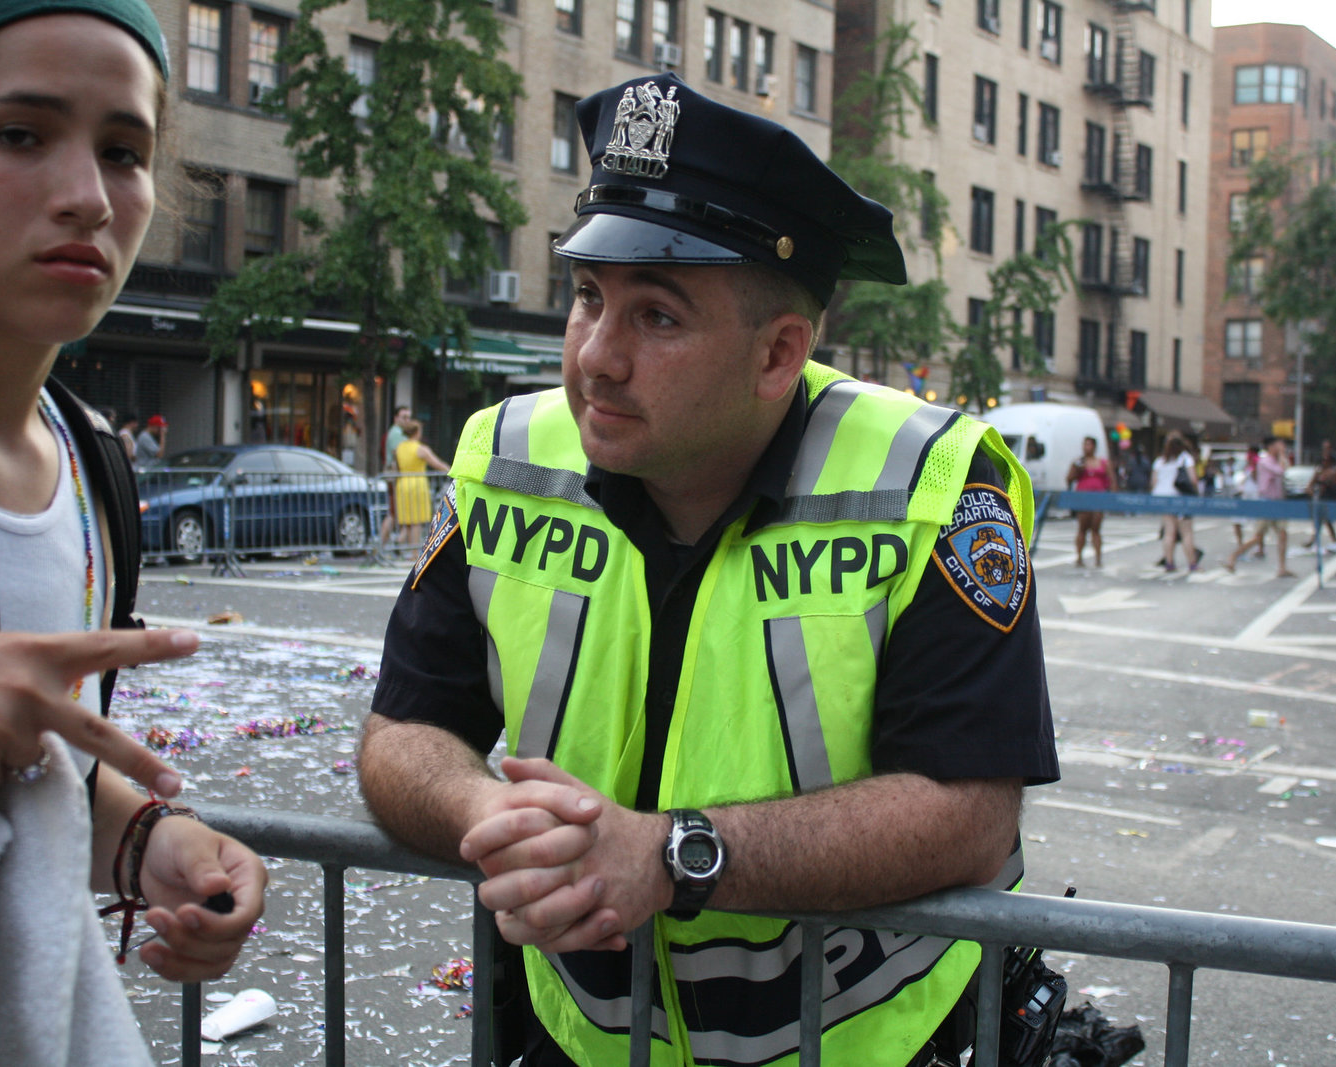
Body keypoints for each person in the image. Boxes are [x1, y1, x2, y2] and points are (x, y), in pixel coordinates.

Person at [357, 73, 1058, 1067]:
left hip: (861, 1045)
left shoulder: (932, 483)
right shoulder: (510, 456)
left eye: (657, 317)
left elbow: (968, 815)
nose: (595, 356)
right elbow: (403, 729)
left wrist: (675, 854)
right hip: (587, 1042)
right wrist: (487, 811)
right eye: (589, 297)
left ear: (778, 354)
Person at [0, 3, 266, 1062]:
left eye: (124, 152)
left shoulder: (90, 460)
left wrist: (148, 838)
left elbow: (16, 750)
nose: (88, 197)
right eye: (18, 135)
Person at [1225, 435, 1293, 577]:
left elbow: (1285, 468)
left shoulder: (1274, 461)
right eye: (1278, 445)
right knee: (1258, 537)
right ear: (1270, 446)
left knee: (1282, 534)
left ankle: (1282, 567)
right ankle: (1233, 557)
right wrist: (1281, 454)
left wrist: (1282, 456)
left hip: (1278, 503)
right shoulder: (1265, 462)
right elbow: (1280, 470)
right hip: (1267, 502)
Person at [391, 418, 448, 549]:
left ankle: (399, 544)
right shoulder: (420, 449)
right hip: (417, 485)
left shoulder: (399, 448)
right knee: (416, 520)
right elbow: (437, 464)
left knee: (408, 521)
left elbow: (396, 467)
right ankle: (413, 553)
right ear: (416, 432)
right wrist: (451, 470)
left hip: (402, 483)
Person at [1149, 432, 1200, 573]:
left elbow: (1154, 482)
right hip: (1181, 498)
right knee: (1186, 532)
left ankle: (1169, 563)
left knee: (1169, 532)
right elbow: (1193, 480)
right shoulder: (1185, 459)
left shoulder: (1160, 461)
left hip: (1163, 498)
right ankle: (1192, 564)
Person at [1067, 434, 1112, 566]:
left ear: (1094, 446)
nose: (1086, 447)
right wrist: (1077, 469)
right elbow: (1069, 478)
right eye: (1085, 444)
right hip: (1083, 498)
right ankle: (1079, 557)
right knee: (1082, 528)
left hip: (1099, 498)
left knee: (1096, 529)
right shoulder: (1079, 462)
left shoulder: (1102, 462)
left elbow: (1111, 479)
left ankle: (1098, 558)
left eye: (1089, 444)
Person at [374, 404, 412, 551]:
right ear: (396, 418)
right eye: (404, 417)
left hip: (399, 478)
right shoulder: (396, 434)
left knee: (400, 514)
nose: (407, 420)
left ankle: (396, 544)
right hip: (396, 478)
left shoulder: (398, 433)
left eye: (409, 417)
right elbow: (400, 455)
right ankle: (381, 546)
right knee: (394, 513)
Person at [1302, 440, 1336, 548]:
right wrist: (1312, 493)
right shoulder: (1319, 469)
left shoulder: (1335, 468)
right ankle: (1318, 539)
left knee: (1327, 519)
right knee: (1320, 519)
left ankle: (1334, 539)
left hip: (1333, 496)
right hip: (1321, 497)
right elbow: (1310, 485)